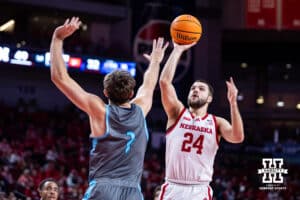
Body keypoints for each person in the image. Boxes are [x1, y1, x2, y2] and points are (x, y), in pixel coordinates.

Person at [50, 17, 168, 200]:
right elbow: (148, 85)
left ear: (105, 92)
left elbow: (59, 77)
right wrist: (155, 62)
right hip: (133, 193)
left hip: (103, 189)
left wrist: (57, 39)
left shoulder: (99, 110)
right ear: (131, 94)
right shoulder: (141, 108)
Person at [158, 42, 244, 200]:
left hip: (199, 190)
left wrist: (233, 104)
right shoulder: (177, 113)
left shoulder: (216, 122)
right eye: (193, 88)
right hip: (173, 187)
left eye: (201, 89)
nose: (195, 90)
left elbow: (238, 137)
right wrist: (177, 50)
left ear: (209, 98)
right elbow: (164, 83)